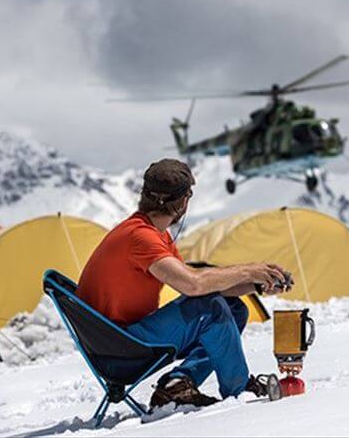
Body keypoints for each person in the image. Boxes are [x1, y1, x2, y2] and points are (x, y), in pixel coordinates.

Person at [77, 158, 292, 409]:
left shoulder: (149, 233)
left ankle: (178, 384)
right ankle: (240, 389)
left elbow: (203, 285)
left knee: (233, 308)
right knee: (210, 308)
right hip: (121, 351)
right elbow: (193, 285)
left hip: (117, 344)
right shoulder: (141, 237)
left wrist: (257, 284)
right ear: (183, 201)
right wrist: (248, 270)